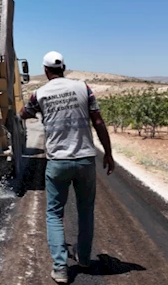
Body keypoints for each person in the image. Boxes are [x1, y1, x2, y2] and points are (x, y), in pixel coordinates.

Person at [20, 50, 115, 284]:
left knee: (54, 213)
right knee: (85, 211)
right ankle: (83, 258)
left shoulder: (39, 94)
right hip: (84, 160)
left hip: (57, 162)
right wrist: (109, 154)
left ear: (45, 70)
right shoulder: (84, 88)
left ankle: (60, 268)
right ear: (64, 67)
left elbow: (24, 114)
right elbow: (99, 122)